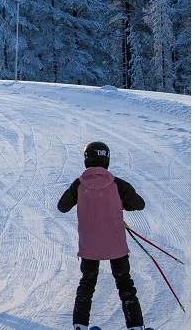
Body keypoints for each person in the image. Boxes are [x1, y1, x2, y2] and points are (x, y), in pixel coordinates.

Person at [58, 141, 148, 330]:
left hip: (89, 247)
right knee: (125, 286)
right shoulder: (117, 184)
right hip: (116, 246)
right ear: (107, 160)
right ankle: (135, 326)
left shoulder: (79, 185)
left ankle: (80, 326)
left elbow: (62, 206)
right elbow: (139, 204)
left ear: (86, 160)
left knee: (87, 285)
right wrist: (122, 203)